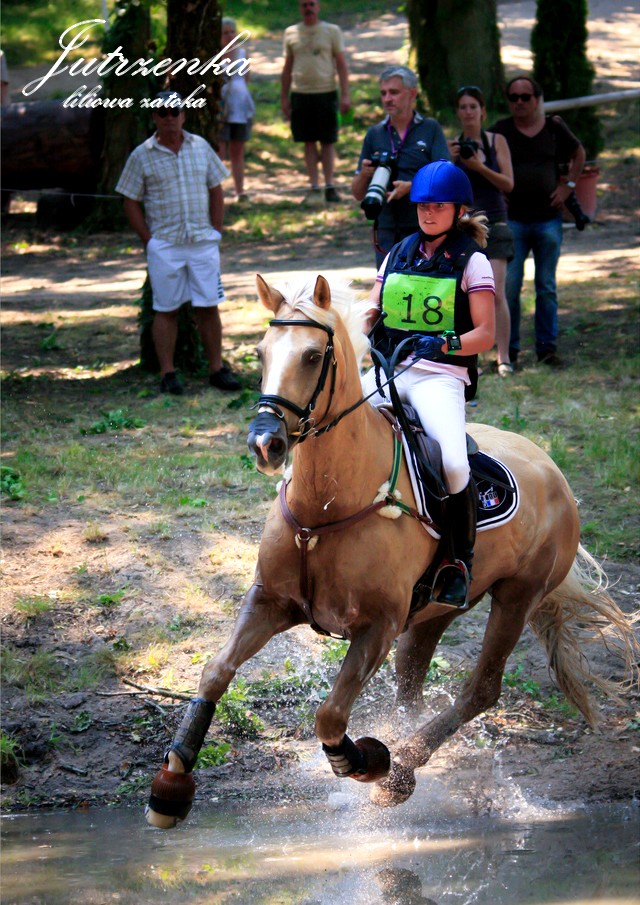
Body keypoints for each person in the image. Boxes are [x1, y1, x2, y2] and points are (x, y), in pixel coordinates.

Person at [362, 160, 495, 606]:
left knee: (454, 463)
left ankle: (458, 560)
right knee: (333, 423)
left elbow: (486, 335)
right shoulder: (398, 252)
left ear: (458, 210)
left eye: (438, 206)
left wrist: (444, 344)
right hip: (390, 368)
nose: (428, 213)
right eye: (422, 205)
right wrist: (352, 331)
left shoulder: (473, 261)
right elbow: (372, 309)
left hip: (439, 376)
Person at [116, 91, 241, 395]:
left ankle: (216, 369)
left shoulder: (201, 146)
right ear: (154, 117)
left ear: (184, 115)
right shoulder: (142, 155)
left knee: (209, 306)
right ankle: (168, 373)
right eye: (163, 112)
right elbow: (129, 200)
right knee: (166, 309)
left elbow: (216, 189)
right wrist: (149, 240)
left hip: (202, 241)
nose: (169, 117)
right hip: (165, 244)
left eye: (175, 111)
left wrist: (216, 230)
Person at [490, 75, 586, 367]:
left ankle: (547, 350)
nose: (519, 102)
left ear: (537, 99)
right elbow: (484, 161)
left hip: (548, 219)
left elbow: (579, 153)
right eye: (514, 97)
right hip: (513, 221)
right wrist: (496, 190)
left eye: (525, 97)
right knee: (510, 287)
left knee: (546, 286)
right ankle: (509, 351)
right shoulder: (500, 131)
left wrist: (568, 186)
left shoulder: (554, 127)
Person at [351, 66, 450, 267]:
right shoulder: (375, 133)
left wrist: (412, 187)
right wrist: (364, 175)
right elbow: (357, 193)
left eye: (394, 92)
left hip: (425, 225)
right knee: (388, 283)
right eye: (383, 93)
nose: (387, 99)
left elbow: (445, 178)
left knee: (423, 281)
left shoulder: (430, 128)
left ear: (412, 94)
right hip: (386, 227)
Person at [449, 85, 515, 376]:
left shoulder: (496, 141)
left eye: (473, 107)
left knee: (496, 293)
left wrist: (478, 166)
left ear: (483, 111)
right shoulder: (453, 146)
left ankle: (504, 358)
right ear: (457, 112)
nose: (468, 112)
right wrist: (450, 160)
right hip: (464, 226)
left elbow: (508, 184)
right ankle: (466, 355)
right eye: (463, 107)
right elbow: (445, 187)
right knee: (462, 295)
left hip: (495, 223)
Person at [281, 0, 351, 204]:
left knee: (328, 141)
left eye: (311, 4)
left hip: (326, 92)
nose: (308, 8)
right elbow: (287, 67)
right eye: (304, 5)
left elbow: (341, 65)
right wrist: (284, 97)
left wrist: (345, 95)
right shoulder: (291, 33)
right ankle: (313, 186)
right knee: (308, 141)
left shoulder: (332, 31)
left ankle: (330, 186)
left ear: (318, 7)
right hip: (301, 93)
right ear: (299, 8)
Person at [219, 17, 255, 202]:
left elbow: (246, 79)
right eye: (225, 33)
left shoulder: (242, 54)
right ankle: (217, 192)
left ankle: (239, 191)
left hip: (240, 108)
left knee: (237, 150)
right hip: (221, 110)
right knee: (219, 151)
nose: (229, 36)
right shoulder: (214, 56)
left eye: (232, 32)